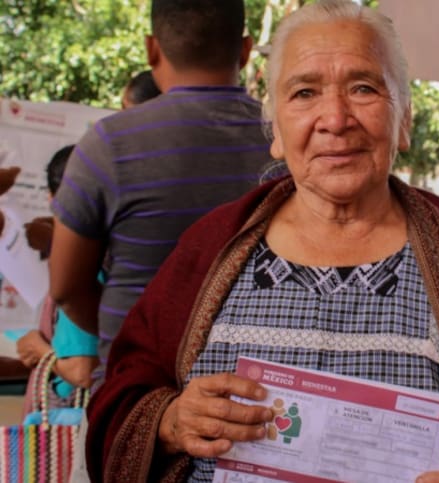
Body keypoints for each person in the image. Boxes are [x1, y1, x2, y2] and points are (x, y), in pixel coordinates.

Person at [86, 2, 439, 481]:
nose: (336, 118)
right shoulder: (211, 247)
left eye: (364, 88)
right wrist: (171, 421)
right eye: (304, 93)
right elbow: (123, 391)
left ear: (404, 120)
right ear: (275, 130)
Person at [48, 0, 275, 383]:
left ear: (152, 49)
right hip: (251, 393)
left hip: (135, 391)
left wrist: (132, 336)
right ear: (246, 50)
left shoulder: (109, 144)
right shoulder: (285, 139)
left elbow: (66, 289)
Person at [16, 145, 99, 408]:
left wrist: (38, 349)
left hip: (72, 415)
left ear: (54, 200)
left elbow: (82, 371)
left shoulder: (84, 267)